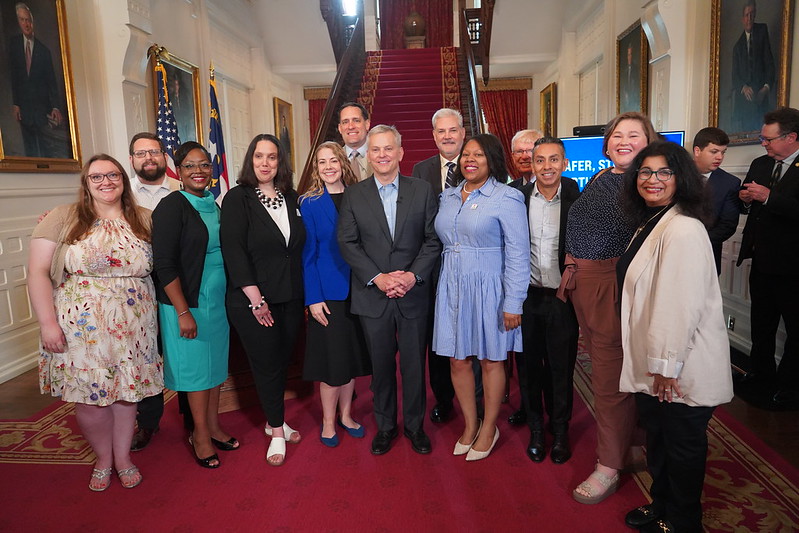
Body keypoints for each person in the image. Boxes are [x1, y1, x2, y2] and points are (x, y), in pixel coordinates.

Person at [618, 141, 733, 533]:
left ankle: (683, 522)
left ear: (680, 178)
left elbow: (679, 304)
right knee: (661, 443)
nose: (653, 180)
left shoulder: (683, 228)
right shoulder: (653, 220)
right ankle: (662, 506)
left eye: (664, 172)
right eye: (645, 172)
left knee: (682, 448)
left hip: (679, 367)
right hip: (658, 364)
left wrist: (667, 368)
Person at [28, 154, 162, 491]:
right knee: (88, 399)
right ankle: (103, 458)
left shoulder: (145, 219)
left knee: (126, 395)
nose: (106, 182)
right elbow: (38, 272)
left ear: (124, 178)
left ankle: (123, 457)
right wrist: (47, 324)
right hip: (81, 329)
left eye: (113, 175)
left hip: (135, 326)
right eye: (97, 176)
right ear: (86, 183)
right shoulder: (63, 217)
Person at [560, 111, 657, 504]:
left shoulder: (647, 182)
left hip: (611, 287)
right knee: (616, 370)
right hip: (582, 284)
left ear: (649, 141)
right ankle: (630, 448)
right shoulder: (605, 176)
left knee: (609, 378)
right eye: (617, 134)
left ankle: (608, 466)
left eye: (634, 135)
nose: (623, 140)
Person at [337, 125, 441, 456]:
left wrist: (412, 276)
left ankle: (414, 426)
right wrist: (378, 278)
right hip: (373, 296)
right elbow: (347, 242)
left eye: (388, 149)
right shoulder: (354, 194)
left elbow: (432, 239)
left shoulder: (422, 190)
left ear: (400, 153)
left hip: (413, 295)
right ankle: (385, 427)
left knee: (414, 366)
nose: (382, 155)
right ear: (368, 156)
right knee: (380, 368)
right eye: (376, 150)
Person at [433, 133, 529, 461]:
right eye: (465, 155)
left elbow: (518, 252)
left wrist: (514, 301)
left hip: (490, 287)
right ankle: (470, 424)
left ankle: (490, 426)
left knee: (491, 359)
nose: (469, 160)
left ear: (492, 161)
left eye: (478, 155)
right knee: (457, 359)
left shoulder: (506, 197)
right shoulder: (447, 196)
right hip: (452, 285)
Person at [220, 134, 306, 466]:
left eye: (272, 157)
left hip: (290, 296)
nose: (265, 163)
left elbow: (296, 249)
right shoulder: (237, 198)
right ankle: (277, 432)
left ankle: (277, 419)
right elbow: (234, 252)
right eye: (259, 157)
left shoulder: (292, 197)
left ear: (280, 162)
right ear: (250, 161)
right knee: (267, 364)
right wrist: (256, 300)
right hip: (252, 301)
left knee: (281, 362)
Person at [151, 141, 237, 469]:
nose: (198, 171)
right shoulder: (172, 206)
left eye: (203, 165)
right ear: (179, 171)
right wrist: (184, 311)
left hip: (216, 302)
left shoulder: (213, 205)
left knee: (214, 369)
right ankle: (200, 435)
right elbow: (165, 264)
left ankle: (213, 426)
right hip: (186, 304)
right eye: (190, 166)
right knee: (197, 373)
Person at [299, 141, 371, 447]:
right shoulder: (309, 202)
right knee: (332, 363)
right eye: (322, 162)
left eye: (333, 161)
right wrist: (313, 298)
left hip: (359, 291)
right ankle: (328, 421)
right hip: (327, 294)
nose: (328, 167)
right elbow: (308, 254)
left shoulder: (360, 196)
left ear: (343, 162)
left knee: (351, 360)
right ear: (316, 168)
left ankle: (346, 415)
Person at [411, 107, 478, 424]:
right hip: (432, 269)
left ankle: (476, 400)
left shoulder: (476, 163)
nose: (448, 136)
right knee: (436, 337)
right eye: (441, 131)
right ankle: (443, 398)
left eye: (453, 130)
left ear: (463, 133)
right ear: (434, 136)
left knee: (470, 333)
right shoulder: (420, 169)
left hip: (470, 267)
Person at [519, 137, 580, 464]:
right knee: (529, 369)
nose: (547, 167)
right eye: (540, 160)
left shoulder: (575, 198)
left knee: (561, 368)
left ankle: (560, 430)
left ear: (565, 163)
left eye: (553, 160)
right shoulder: (517, 197)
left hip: (562, 300)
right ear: (532, 164)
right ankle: (536, 430)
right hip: (526, 298)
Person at [736, 107, 799, 406]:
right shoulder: (761, 164)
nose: (764, 143)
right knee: (761, 324)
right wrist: (745, 200)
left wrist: (769, 197)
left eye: (768, 138)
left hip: (792, 266)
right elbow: (747, 206)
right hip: (760, 261)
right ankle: (759, 375)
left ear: (792, 137)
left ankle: (788, 386)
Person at [127, 132, 183, 452]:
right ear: (132, 159)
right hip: (136, 288)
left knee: (179, 348)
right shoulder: (121, 195)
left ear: (164, 156)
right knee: (144, 355)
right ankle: (147, 422)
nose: (148, 158)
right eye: (140, 153)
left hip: (174, 283)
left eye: (154, 152)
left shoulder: (182, 189)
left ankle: (193, 413)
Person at [8, 2, 66, 158]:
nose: (26, 24)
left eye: (28, 20)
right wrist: (16, 103)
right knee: (29, 148)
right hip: (24, 109)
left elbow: (51, 81)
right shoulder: (13, 46)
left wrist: (55, 107)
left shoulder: (43, 51)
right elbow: (14, 77)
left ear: (32, 22)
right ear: (18, 22)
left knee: (45, 149)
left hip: (41, 109)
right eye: (22, 20)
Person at [691, 127, 741, 274]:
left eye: (723, 152)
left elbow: (728, 225)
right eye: (714, 152)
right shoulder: (675, 175)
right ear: (697, 151)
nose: (720, 157)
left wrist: (696, 242)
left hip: (706, 259)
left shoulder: (730, 183)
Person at [731, 0, 775, 134]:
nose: (749, 18)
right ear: (742, 19)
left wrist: (766, 88)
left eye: (752, 14)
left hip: (761, 95)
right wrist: (744, 87)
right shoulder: (738, 47)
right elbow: (735, 76)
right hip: (745, 102)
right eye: (746, 15)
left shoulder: (762, 31)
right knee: (747, 130)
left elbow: (769, 62)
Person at [338, 102, 372, 181]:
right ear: (340, 128)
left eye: (356, 120)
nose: (350, 127)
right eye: (345, 122)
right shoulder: (334, 159)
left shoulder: (381, 155)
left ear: (367, 124)